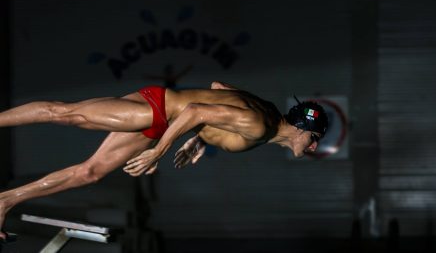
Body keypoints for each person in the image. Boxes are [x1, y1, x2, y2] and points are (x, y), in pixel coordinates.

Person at [0, 81, 328, 240]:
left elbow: (218, 89)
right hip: (156, 109)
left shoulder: (267, 120)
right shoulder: (261, 126)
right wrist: (159, 151)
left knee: (91, 173)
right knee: (66, 113)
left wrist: (197, 139)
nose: (313, 148)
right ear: (302, 128)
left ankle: (5, 201)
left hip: (161, 124)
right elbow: (197, 110)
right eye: (314, 139)